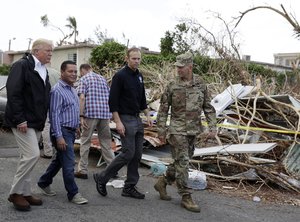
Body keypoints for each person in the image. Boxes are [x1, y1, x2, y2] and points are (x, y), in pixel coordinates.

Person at [154, 52, 217, 213]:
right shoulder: (172, 85)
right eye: (177, 67)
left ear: (190, 67)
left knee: (181, 161)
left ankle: (162, 182)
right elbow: (163, 109)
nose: (178, 70)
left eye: (181, 67)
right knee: (183, 163)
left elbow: (208, 108)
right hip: (177, 130)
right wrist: (161, 129)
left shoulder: (201, 84)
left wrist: (213, 127)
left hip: (194, 130)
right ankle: (186, 196)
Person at [93, 47, 153, 199]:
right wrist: (118, 122)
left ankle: (129, 187)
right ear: (127, 58)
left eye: (139, 59)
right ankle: (102, 177)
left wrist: (147, 115)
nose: (137, 61)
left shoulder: (139, 75)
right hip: (124, 118)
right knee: (128, 153)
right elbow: (112, 102)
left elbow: (142, 99)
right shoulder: (120, 76)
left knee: (137, 154)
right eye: (134, 58)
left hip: (137, 118)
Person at [5, 38, 53, 211]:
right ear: (36, 51)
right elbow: (14, 92)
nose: (50, 53)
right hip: (22, 121)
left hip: (36, 121)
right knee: (32, 154)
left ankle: (25, 192)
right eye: (48, 50)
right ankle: (15, 192)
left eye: (51, 50)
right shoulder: (22, 65)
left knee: (28, 158)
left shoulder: (43, 70)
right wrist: (20, 119)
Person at [37, 60, 88, 205]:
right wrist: (59, 137)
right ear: (62, 72)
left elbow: (71, 111)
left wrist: (77, 126)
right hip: (62, 132)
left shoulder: (72, 89)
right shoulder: (57, 90)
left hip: (70, 131)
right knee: (69, 163)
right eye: (70, 71)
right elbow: (54, 115)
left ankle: (43, 182)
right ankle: (73, 193)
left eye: (75, 71)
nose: (73, 74)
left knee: (60, 160)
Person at [74, 64, 115, 179]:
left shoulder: (84, 79)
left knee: (85, 141)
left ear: (83, 71)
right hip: (105, 114)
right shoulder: (103, 79)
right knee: (106, 143)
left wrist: (81, 116)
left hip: (90, 114)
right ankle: (112, 169)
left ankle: (82, 170)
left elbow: (82, 98)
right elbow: (110, 97)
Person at [40, 68, 60, 159]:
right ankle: (58, 151)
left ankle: (48, 152)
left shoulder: (42, 71)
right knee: (56, 126)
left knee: (46, 127)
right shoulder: (56, 72)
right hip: (58, 101)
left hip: (48, 101)